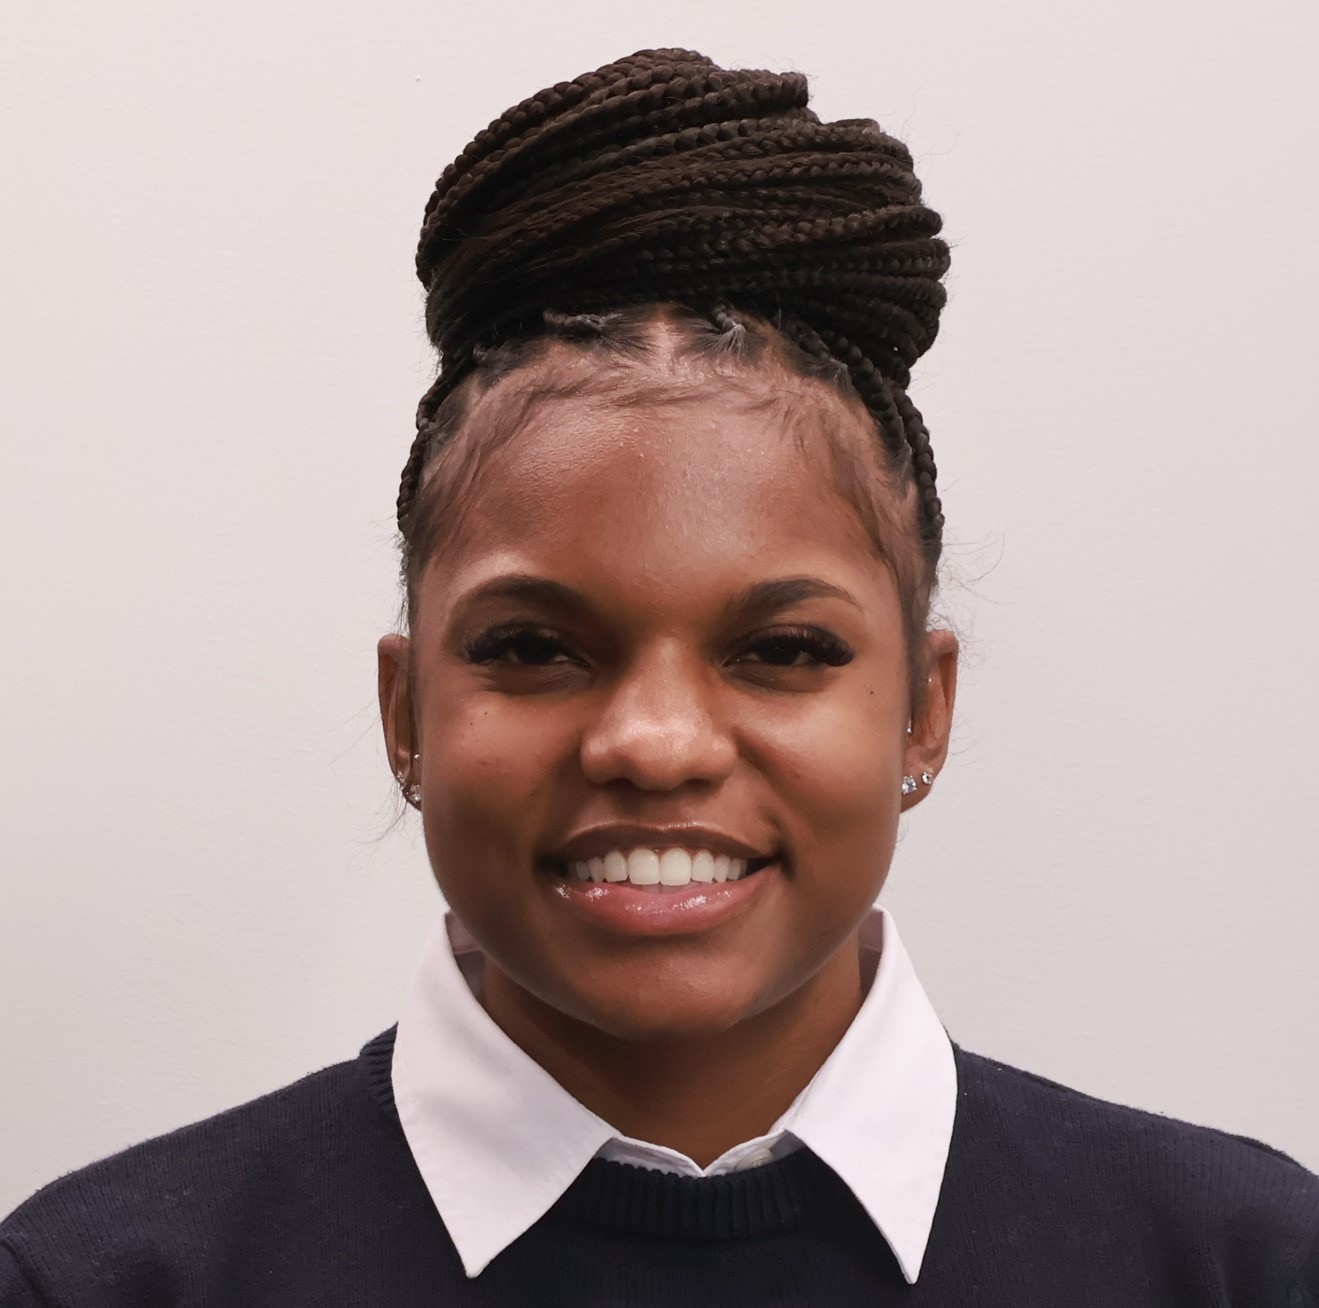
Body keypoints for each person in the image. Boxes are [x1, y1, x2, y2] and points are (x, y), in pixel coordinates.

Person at [2, 47, 1316, 1307]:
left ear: (925, 711)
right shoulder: (107, 1282)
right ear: (406, 717)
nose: (656, 741)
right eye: (533, 648)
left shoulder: (1238, 1267)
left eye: (783, 651)